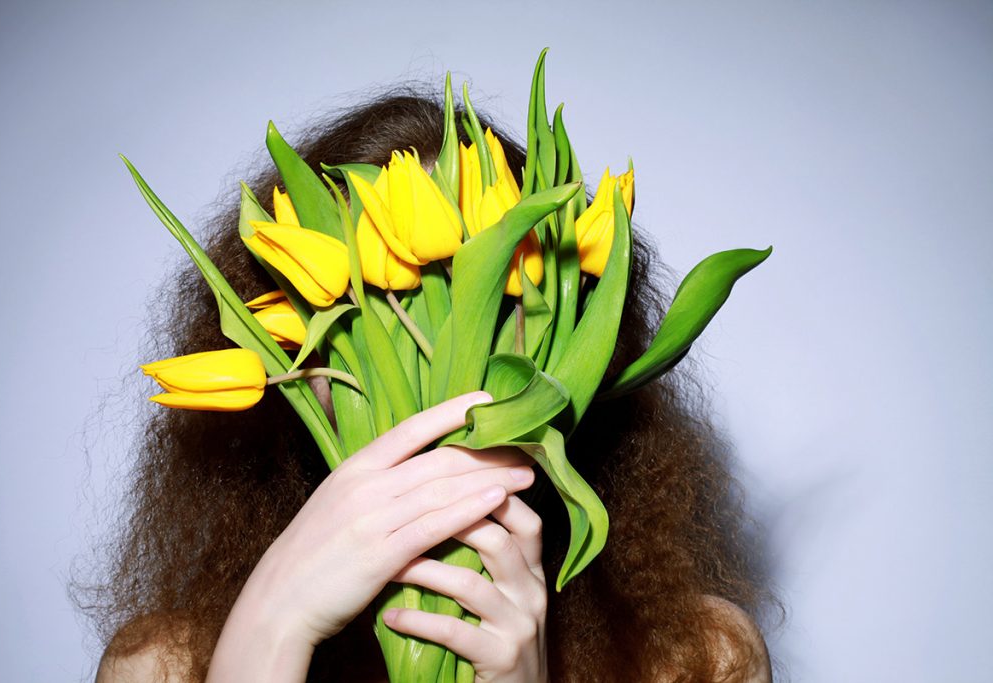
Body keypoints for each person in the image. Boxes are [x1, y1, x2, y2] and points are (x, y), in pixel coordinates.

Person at [82, 92, 775, 682]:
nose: (436, 367)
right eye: (378, 321)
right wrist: (268, 628)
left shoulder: (694, 658)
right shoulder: (164, 664)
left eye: (479, 305)